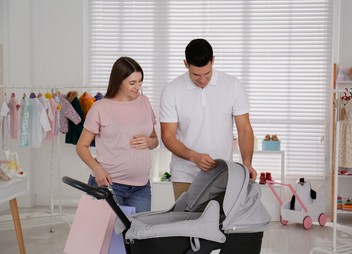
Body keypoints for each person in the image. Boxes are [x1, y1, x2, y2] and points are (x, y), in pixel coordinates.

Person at [159, 38, 257, 200]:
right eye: (196, 75)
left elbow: (244, 129)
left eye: (207, 73)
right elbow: (168, 136)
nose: (203, 80)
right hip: (184, 173)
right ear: (186, 64)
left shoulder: (232, 85)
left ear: (213, 61)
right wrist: (194, 157)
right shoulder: (172, 90)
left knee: (219, 222)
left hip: (222, 174)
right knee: (186, 221)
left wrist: (247, 163)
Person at [76, 57, 158, 212]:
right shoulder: (100, 108)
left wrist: (149, 142)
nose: (138, 87)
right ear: (118, 81)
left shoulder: (144, 102)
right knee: (104, 235)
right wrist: (97, 169)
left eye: (140, 81)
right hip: (109, 185)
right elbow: (82, 146)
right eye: (132, 83)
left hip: (141, 187)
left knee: (139, 235)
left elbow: (155, 140)